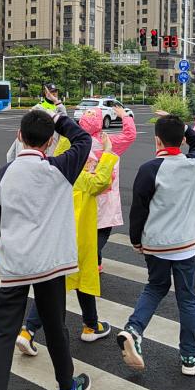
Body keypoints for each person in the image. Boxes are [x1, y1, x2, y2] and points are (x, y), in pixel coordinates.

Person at [0, 91, 93, 390]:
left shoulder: (6, 173)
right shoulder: (60, 169)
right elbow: (83, 140)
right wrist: (58, 117)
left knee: (3, 335)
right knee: (55, 326)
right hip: (50, 265)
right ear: (49, 142)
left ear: (19, 136)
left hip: (15, 264)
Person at [117, 114, 195, 376]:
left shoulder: (149, 169)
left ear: (157, 140)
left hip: (156, 244)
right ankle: (189, 356)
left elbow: (139, 209)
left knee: (155, 287)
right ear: (181, 139)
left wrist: (136, 239)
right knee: (187, 298)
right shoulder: (192, 164)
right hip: (185, 245)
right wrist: (186, 129)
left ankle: (134, 329)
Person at [17, 134, 118, 355]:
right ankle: (33, 330)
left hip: (55, 239)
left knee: (65, 283)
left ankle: (89, 324)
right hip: (77, 242)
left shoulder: (53, 172)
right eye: (90, 160)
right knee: (74, 283)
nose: (91, 164)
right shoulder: (82, 180)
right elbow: (102, 180)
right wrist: (108, 152)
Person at [55, 104, 137, 269]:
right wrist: (124, 116)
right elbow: (130, 135)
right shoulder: (109, 141)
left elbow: (58, 158)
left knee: (86, 227)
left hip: (82, 192)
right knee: (103, 228)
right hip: (105, 194)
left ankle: (95, 261)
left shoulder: (73, 142)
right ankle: (91, 259)